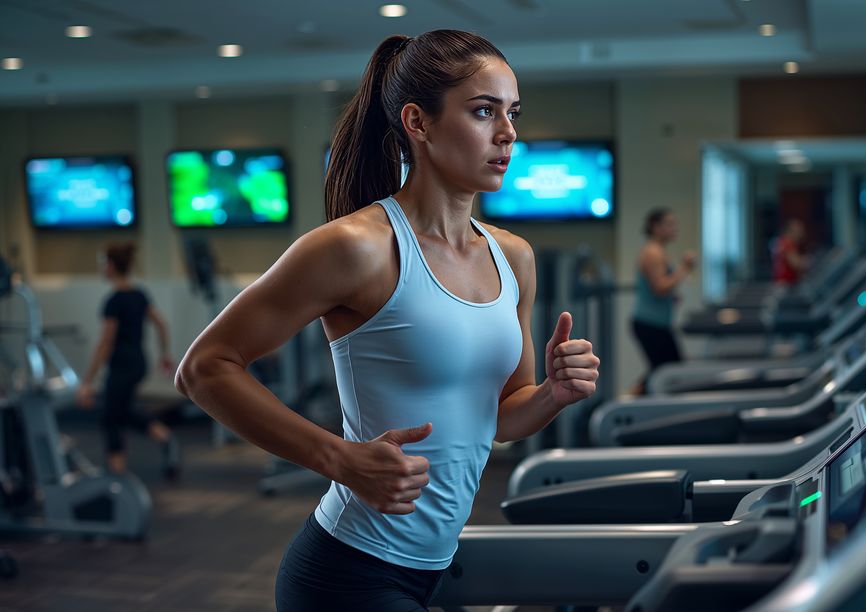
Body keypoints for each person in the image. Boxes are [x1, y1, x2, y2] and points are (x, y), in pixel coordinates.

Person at [174, 30, 600, 611]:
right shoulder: (357, 248)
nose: (508, 134)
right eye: (483, 112)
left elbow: (500, 417)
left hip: (439, 567)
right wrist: (338, 459)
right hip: (348, 573)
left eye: (512, 113)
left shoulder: (513, 257)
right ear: (418, 123)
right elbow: (204, 368)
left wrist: (553, 393)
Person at [77, 242, 181, 478]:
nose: (102, 268)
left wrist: (87, 382)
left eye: (103, 263)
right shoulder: (139, 295)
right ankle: (164, 437)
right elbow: (161, 324)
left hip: (122, 365)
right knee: (120, 411)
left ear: (112, 266)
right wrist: (164, 354)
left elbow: (106, 343)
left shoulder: (114, 301)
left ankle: (118, 474)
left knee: (111, 417)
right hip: (138, 363)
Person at [630, 208, 695, 394]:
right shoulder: (653, 253)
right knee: (668, 371)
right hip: (649, 322)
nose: (674, 229)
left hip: (656, 322)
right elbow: (659, 287)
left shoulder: (659, 251)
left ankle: (632, 398)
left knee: (664, 370)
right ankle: (629, 400)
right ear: (655, 227)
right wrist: (685, 268)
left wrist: (671, 295)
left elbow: (661, 287)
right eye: (669, 225)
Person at [772, 218, 807, 285]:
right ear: (791, 231)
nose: (801, 234)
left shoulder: (781, 241)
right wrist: (808, 261)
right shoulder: (788, 244)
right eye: (799, 231)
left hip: (782, 282)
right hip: (786, 284)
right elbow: (796, 264)